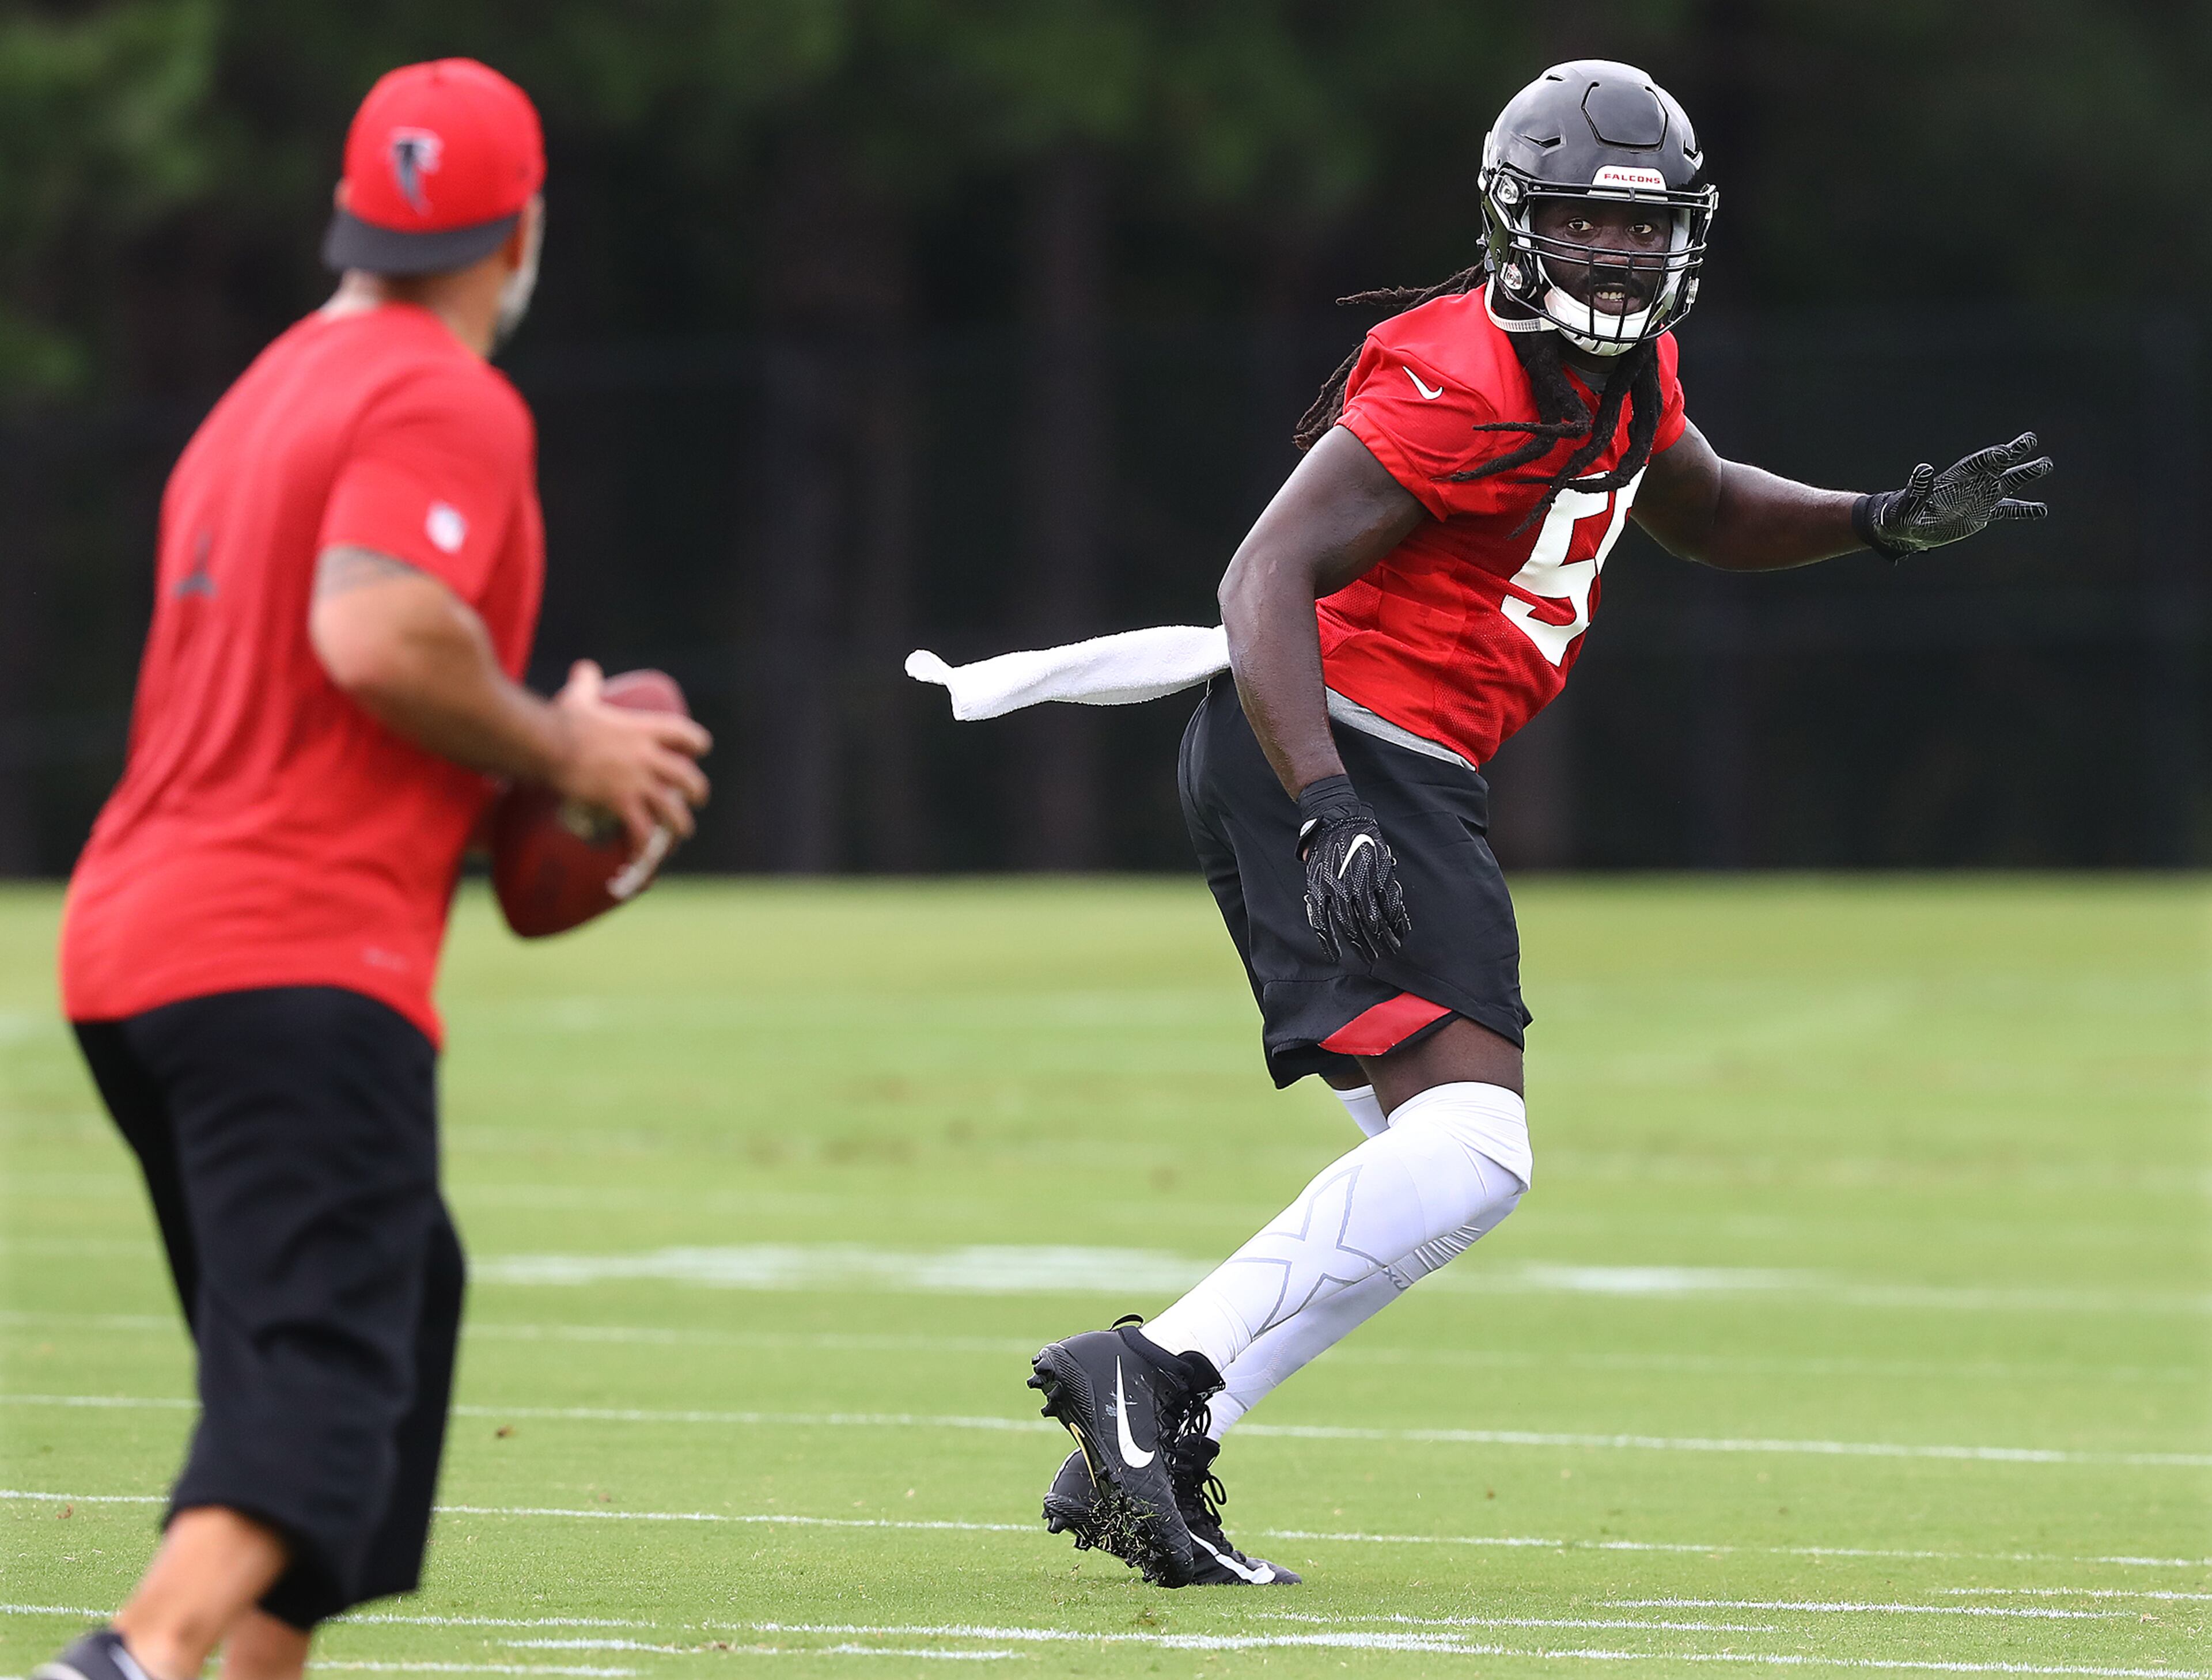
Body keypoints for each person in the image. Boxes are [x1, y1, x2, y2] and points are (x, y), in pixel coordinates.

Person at [1022, 59, 2052, 1588]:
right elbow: (1261, 581)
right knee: (1477, 1153)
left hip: (1384, 760)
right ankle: (1154, 1371)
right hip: (1348, 747)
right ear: (1517, 225)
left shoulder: (1621, 377)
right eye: (1583, 225)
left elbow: (1694, 502)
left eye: (1642, 233)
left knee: (1425, 1172)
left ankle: (1149, 1446)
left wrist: (1872, 523)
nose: (1615, 258)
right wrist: (1327, 813)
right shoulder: (1465, 372)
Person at [35, 59, 711, 1680]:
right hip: (286, 962)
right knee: (321, 1393)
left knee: (385, 1326)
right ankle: (122, 1662)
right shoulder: (442, 395)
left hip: (142, 944)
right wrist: (573, 758)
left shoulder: (262, 393)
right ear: (523, 228)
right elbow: (373, 628)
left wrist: (517, 753)